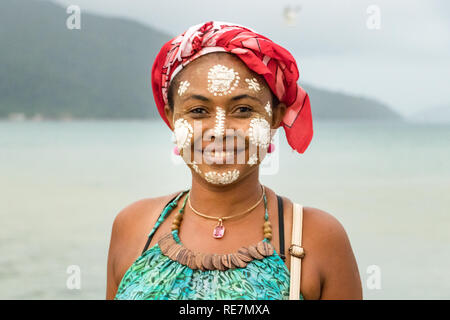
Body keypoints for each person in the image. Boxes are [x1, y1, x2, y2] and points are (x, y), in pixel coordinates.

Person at [106, 21, 362, 300]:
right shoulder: (133, 226)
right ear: (171, 117)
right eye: (199, 110)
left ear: (275, 116)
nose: (220, 130)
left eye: (242, 109)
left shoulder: (315, 238)